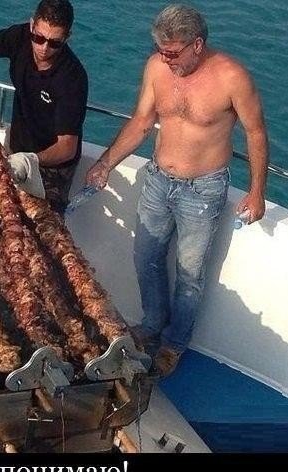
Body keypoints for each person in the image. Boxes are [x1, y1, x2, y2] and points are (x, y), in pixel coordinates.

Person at [86, 4, 268, 376]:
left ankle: (174, 343)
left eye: (173, 53)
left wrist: (257, 191)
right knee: (145, 256)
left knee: (190, 274)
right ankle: (152, 323)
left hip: (203, 190)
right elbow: (141, 122)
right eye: (161, 51)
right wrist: (105, 163)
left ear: (196, 44)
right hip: (158, 180)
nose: (166, 60)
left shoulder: (232, 77)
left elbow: (255, 133)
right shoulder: (157, 67)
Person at [0, 0, 88, 214]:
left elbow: (67, 147)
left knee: (43, 227)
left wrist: (30, 160)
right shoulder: (20, 37)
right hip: (15, 152)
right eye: (39, 38)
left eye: (54, 43)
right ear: (32, 25)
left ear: (67, 37)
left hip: (51, 168)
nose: (44, 48)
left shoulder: (72, 78)